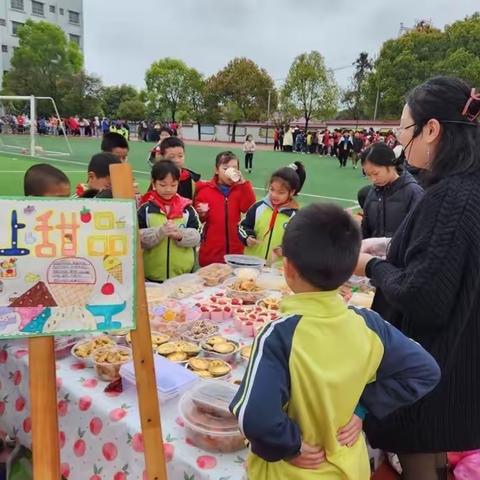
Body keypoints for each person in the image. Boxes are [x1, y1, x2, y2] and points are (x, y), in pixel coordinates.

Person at [231, 203, 440, 480]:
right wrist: (364, 406)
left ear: (288, 268)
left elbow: (254, 418)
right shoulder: (370, 323)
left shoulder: (277, 334)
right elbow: (426, 370)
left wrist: (290, 445)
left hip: (293, 472)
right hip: (349, 466)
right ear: (351, 269)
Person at [355, 76, 480, 480]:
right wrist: (393, 247)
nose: (400, 140)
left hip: (433, 369)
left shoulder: (453, 196)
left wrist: (370, 267)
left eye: (405, 129)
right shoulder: (467, 189)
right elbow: (449, 260)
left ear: (432, 129)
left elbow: (424, 296)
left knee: (420, 457)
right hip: (457, 364)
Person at [138, 160, 200, 282]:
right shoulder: (146, 209)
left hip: (182, 277)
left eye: (173, 185)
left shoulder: (187, 209)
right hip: (151, 277)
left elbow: (198, 236)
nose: (168, 189)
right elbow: (136, 239)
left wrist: (180, 236)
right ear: (154, 183)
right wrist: (158, 233)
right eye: (163, 184)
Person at [194, 151, 256, 266]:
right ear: (216, 170)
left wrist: (244, 184)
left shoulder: (240, 189)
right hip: (212, 252)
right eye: (225, 168)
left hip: (236, 250)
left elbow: (249, 208)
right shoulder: (205, 191)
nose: (230, 171)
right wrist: (202, 214)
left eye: (234, 168)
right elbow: (198, 219)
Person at [239, 161, 306, 261]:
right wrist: (247, 238)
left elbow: (300, 243)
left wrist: (286, 249)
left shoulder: (296, 217)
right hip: (252, 264)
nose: (274, 195)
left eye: (281, 192)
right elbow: (243, 226)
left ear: (292, 192)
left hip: (278, 270)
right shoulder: (258, 207)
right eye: (272, 189)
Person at [360, 142, 423, 238]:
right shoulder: (373, 193)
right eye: (368, 175)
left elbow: (419, 234)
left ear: (390, 165)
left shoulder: (413, 193)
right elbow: (366, 230)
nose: (373, 179)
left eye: (376, 173)